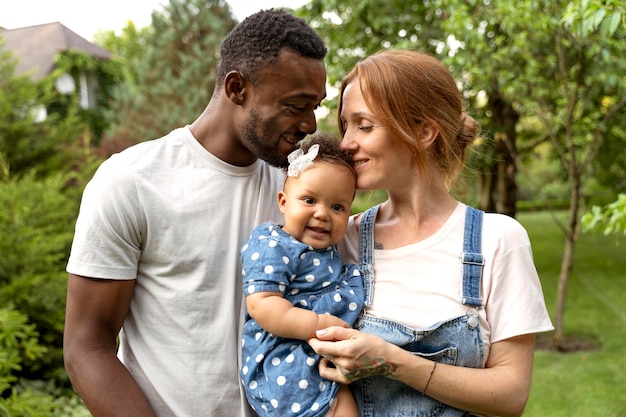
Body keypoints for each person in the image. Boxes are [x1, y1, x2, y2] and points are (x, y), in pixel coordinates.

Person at [63, 9, 327, 417]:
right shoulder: (131, 181)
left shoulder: (303, 191)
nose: (310, 123)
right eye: (296, 106)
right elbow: (87, 347)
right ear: (237, 87)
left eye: (316, 107)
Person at [307, 49, 554, 417]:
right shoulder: (344, 239)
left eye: (364, 125)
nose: (345, 144)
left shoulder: (498, 240)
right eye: (346, 125)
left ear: (423, 131)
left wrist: (391, 360)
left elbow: (511, 396)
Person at [240, 135, 364, 417]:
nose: (322, 214)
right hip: (284, 361)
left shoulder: (329, 249)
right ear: (283, 202)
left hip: (316, 357)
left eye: (337, 207)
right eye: (309, 200)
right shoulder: (274, 244)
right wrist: (317, 323)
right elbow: (263, 304)